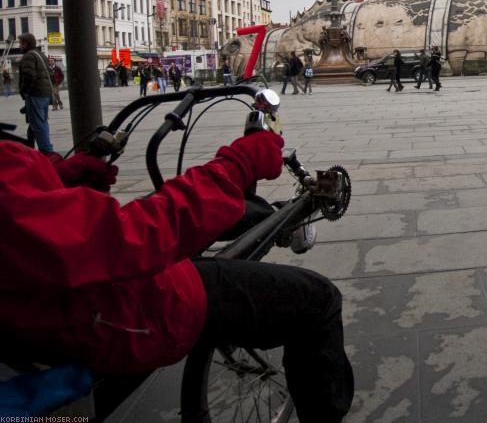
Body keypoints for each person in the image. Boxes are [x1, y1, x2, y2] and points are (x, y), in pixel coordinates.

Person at [0, 130, 355, 421]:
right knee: (318, 301)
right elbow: (130, 238)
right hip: (126, 310)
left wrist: (57, 176)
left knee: (231, 219)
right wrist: (237, 164)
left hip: (68, 306)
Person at [17, 34, 54, 153]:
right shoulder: (40, 54)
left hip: (36, 94)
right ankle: (31, 149)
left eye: (21, 43)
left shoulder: (28, 56)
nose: (19, 46)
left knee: (38, 125)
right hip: (44, 93)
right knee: (38, 123)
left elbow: (29, 75)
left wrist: (25, 92)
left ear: (26, 44)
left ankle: (47, 152)